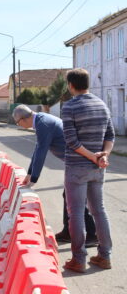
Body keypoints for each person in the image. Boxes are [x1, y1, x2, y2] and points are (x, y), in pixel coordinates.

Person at [12, 105, 97, 247]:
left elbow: (41, 152)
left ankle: (92, 235)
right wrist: (29, 173)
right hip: (74, 161)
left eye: (17, 122)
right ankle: (68, 232)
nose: (18, 125)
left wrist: (33, 178)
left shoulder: (43, 123)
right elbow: (38, 149)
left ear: (22, 119)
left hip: (78, 161)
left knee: (77, 197)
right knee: (69, 195)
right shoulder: (40, 120)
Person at [62, 68, 114, 273]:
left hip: (77, 166)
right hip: (98, 167)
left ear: (70, 85)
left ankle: (78, 259)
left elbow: (71, 141)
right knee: (98, 210)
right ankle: (104, 256)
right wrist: (104, 155)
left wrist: (93, 156)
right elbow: (110, 135)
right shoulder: (102, 104)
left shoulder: (69, 106)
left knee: (75, 212)